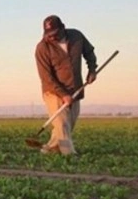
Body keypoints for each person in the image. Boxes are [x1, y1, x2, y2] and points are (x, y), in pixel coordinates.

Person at [34, 15, 97, 155]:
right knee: (62, 123)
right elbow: (46, 77)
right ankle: (70, 154)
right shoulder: (42, 48)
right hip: (53, 91)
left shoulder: (76, 36)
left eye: (55, 34)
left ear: (62, 28)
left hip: (75, 88)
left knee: (67, 125)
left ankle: (50, 149)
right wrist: (63, 95)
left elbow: (89, 52)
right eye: (48, 35)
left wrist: (92, 70)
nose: (52, 38)